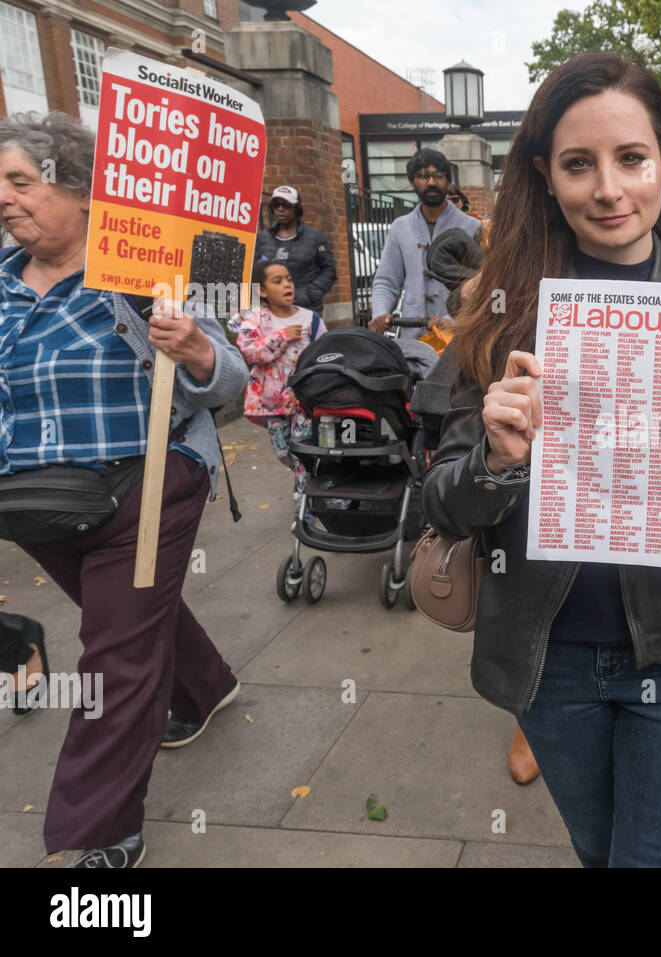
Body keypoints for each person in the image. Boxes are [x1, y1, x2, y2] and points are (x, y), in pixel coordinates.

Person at [423, 52, 661, 867]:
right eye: (578, 164)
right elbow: (442, 504)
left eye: (630, 158)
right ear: (545, 176)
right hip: (549, 660)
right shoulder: (503, 313)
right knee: (599, 852)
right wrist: (495, 457)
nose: (608, 188)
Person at [0, 112, 247, 867]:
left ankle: (96, 833)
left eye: (21, 181)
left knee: (114, 655)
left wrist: (198, 348)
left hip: (145, 489)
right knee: (133, 620)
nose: (6, 199)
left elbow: (230, 380)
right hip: (35, 502)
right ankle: (207, 687)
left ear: (78, 189)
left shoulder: (146, 270)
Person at [236, 260, 327, 497]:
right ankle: (306, 480)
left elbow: (327, 354)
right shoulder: (255, 320)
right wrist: (282, 336)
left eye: (288, 279)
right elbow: (250, 352)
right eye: (278, 281)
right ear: (263, 291)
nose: (287, 284)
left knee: (303, 449)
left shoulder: (310, 319)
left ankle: (305, 505)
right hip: (272, 406)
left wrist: (308, 360)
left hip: (303, 401)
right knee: (284, 452)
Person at [369, 149, 481, 339]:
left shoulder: (472, 227)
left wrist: (453, 320)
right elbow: (386, 281)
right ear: (413, 182)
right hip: (413, 334)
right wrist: (379, 313)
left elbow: (483, 286)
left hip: (458, 336)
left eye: (438, 175)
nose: (431, 182)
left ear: (448, 181)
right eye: (422, 176)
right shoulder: (400, 227)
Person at [253, 185, 338, 316]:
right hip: (272, 311)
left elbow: (329, 270)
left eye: (286, 205)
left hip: (306, 309)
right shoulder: (264, 237)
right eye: (276, 205)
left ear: (297, 209)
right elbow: (255, 270)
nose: (280, 209)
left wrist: (308, 293)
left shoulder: (314, 237)